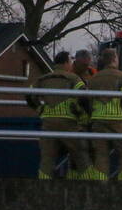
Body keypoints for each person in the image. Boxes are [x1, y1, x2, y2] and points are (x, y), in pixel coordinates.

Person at [26, 51, 91, 180]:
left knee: (47, 160)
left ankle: (43, 188)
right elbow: (84, 98)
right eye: (70, 62)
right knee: (81, 156)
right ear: (66, 63)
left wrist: (40, 109)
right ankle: (91, 186)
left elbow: (29, 95)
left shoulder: (43, 79)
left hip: (48, 124)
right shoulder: (73, 78)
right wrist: (85, 117)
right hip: (69, 124)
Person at [87, 48, 122, 180]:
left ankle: (99, 187)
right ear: (115, 59)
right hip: (118, 121)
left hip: (98, 122)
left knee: (100, 156)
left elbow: (87, 100)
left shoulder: (94, 78)